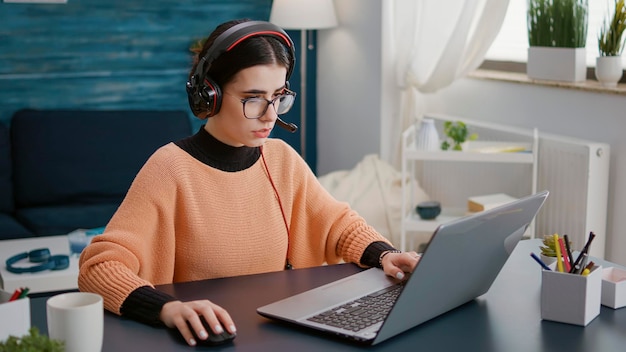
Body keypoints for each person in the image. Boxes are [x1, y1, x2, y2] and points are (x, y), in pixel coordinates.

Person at [78, 18, 419, 347]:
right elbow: (99, 267)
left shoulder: (281, 159)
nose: (271, 114)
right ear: (208, 95)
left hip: (278, 335)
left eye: (278, 96)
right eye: (253, 98)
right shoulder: (169, 168)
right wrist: (166, 308)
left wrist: (385, 254)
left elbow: (337, 226)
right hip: (204, 341)